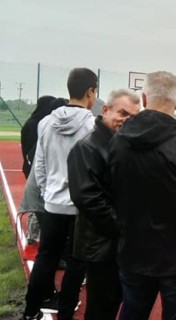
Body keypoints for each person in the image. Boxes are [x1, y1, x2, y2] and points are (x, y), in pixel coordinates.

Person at [107, 71, 176, 319]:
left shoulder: (117, 142)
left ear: (144, 99)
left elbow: (111, 190)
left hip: (133, 249)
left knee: (132, 311)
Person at [23, 68, 98, 320]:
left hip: (52, 204)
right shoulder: (92, 126)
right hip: (80, 208)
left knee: (46, 257)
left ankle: (30, 310)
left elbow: (39, 166)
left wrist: (48, 194)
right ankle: (66, 313)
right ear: (90, 91)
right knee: (76, 263)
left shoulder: (46, 122)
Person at [67, 89, 141, 320]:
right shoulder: (87, 147)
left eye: (133, 117)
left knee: (115, 302)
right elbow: (88, 199)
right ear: (106, 110)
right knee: (101, 307)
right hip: (100, 246)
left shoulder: (123, 145)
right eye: (122, 113)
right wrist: (123, 229)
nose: (127, 120)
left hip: (117, 245)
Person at [19, 96, 67, 245]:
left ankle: (35, 235)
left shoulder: (36, 122)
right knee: (39, 204)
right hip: (36, 166)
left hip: (32, 164)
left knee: (38, 203)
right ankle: (34, 235)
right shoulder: (42, 125)